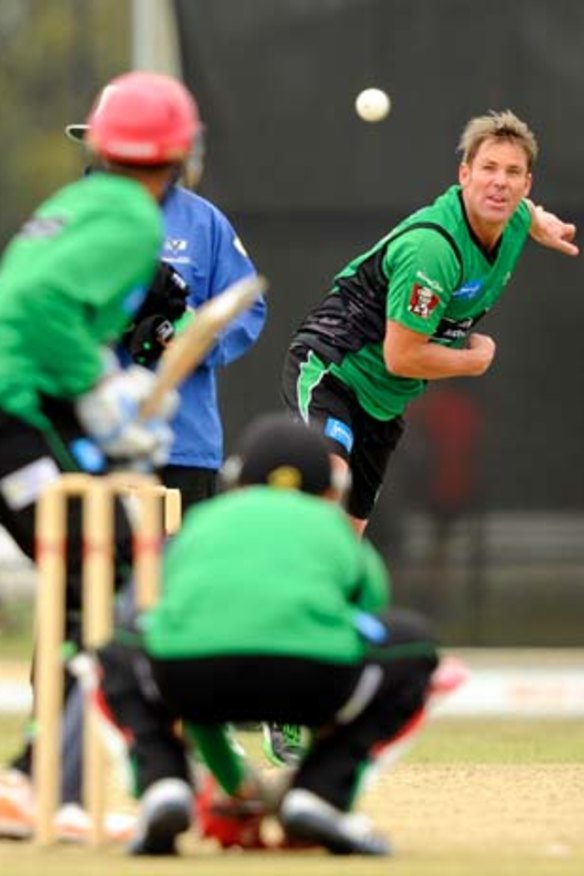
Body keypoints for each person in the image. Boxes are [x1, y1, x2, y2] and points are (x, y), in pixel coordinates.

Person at [0, 70, 201, 840]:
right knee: (109, 578)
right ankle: (36, 781)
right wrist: (98, 386)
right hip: (15, 410)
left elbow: (32, 298)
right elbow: (41, 305)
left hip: (25, 404)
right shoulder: (131, 221)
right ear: (180, 153)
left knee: (97, 579)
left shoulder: (76, 203)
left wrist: (98, 392)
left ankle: (41, 782)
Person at [96, 413, 440, 857]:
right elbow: (361, 625)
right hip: (313, 680)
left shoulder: (201, 523)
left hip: (194, 680)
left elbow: (180, 630)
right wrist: (309, 774)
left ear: (238, 481)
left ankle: (163, 784)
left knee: (118, 643)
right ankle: (321, 795)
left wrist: (234, 784)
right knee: (414, 643)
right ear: (331, 491)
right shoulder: (339, 531)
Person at [281, 109, 579, 537]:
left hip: (385, 402)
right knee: (327, 490)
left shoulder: (514, 217)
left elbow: (522, 211)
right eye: (488, 168)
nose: (500, 181)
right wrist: (474, 361)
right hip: (334, 371)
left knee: (346, 539)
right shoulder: (433, 250)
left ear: (527, 184)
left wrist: (539, 221)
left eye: (513, 172)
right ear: (464, 174)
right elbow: (401, 357)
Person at [63, 120, 267, 510]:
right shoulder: (70, 217)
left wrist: (187, 335)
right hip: (89, 440)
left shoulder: (203, 220)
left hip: (183, 443)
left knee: (182, 552)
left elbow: (246, 308)